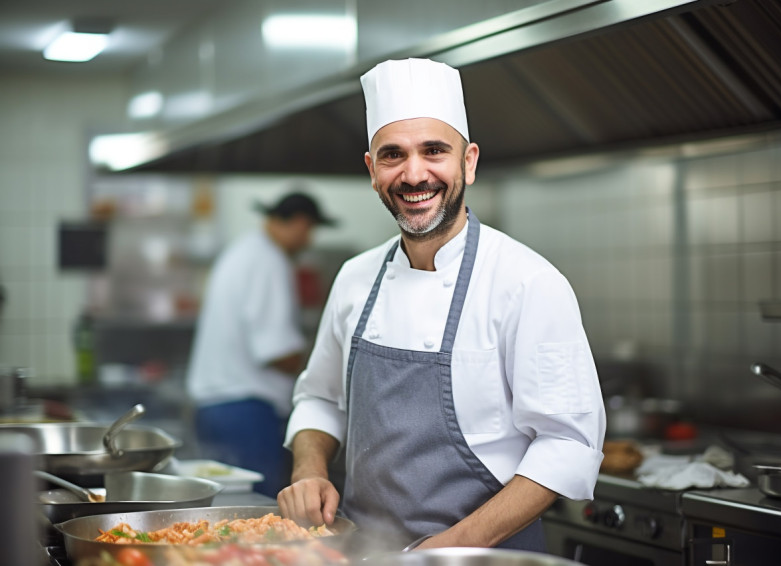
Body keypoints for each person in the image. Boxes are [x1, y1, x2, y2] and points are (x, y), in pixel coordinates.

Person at [277, 58, 605, 551]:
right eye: (393, 155)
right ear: (372, 170)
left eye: (434, 151)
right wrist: (310, 470)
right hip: (365, 553)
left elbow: (568, 445)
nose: (414, 174)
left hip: (487, 556)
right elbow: (320, 398)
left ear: (468, 162)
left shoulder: (529, 283)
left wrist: (451, 549)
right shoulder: (354, 278)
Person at [186, 191, 335, 498]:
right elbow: (277, 352)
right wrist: (323, 366)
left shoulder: (243, 251)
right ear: (299, 223)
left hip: (216, 408)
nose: (308, 241)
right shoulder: (270, 261)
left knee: (223, 514)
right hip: (246, 412)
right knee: (255, 514)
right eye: (310, 231)